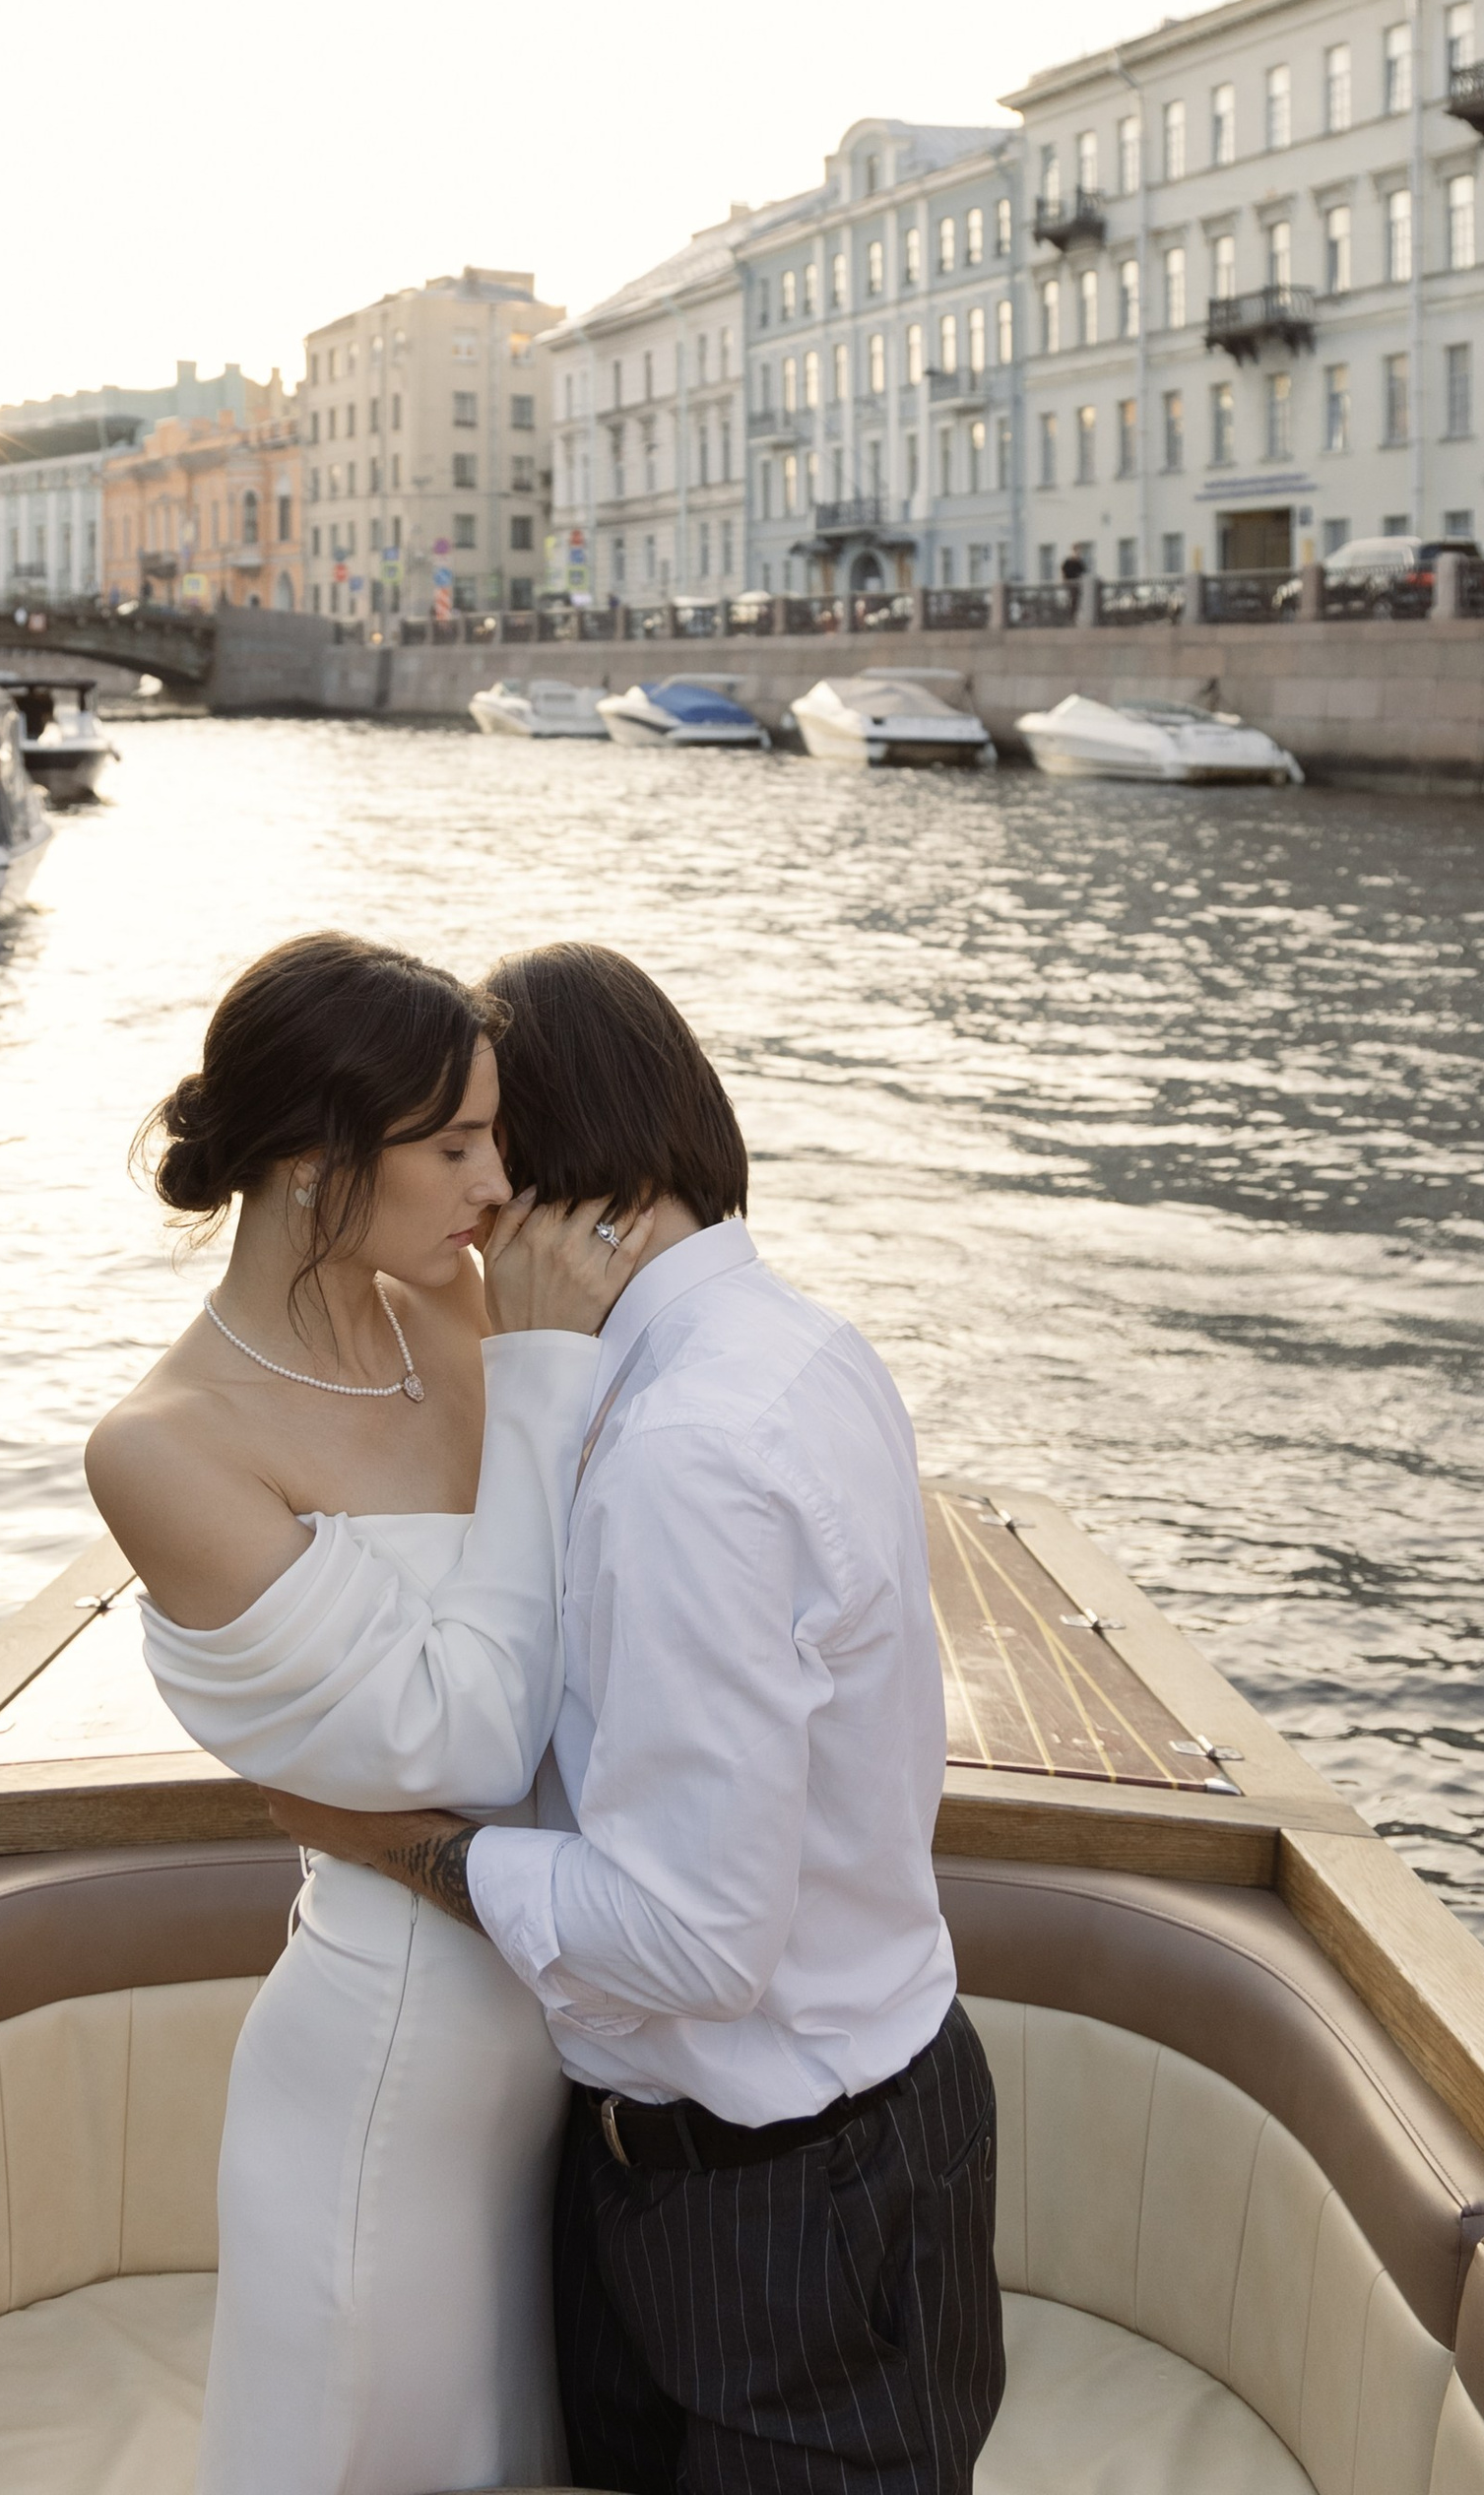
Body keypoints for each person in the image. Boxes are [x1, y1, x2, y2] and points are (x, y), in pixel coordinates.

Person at [280, 942, 1003, 2495]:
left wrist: (406, 1848)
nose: (460, 1192)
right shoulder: (801, 1345)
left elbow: (691, 1938)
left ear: (541, 1181)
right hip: (801, 2150)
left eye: (476, 1147)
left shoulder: (684, 1450)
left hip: (780, 2210)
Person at [85, 930, 646, 2495]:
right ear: (315, 1158)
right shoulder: (166, 1445)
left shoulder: (455, 1314)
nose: (496, 1180)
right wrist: (541, 1375)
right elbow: (464, 1741)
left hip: (556, 2033)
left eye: (495, 1134)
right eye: (454, 1142)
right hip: (391, 2059)